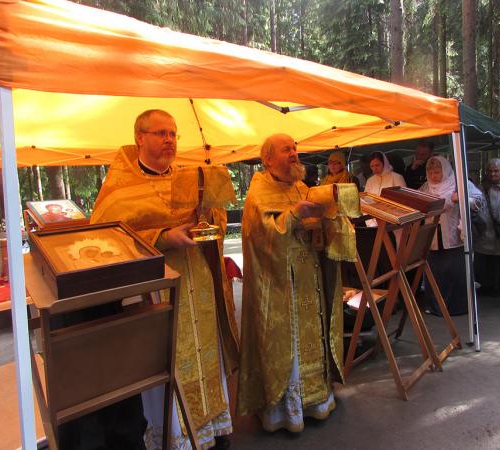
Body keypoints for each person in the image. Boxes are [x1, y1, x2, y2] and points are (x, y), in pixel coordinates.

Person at [91, 109, 239, 449]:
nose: (169, 140)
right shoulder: (120, 188)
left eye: (173, 134)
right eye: (161, 133)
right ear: (139, 138)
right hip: (155, 290)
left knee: (205, 354)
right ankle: (177, 438)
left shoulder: (188, 178)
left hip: (197, 281)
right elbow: (106, 239)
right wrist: (161, 237)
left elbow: (212, 221)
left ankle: (212, 429)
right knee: (166, 361)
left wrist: (209, 212)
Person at [237, 133, 345, 433]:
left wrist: (327, 222)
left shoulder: (302, 187)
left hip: (309, 276)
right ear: (268, 158)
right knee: (291, 344)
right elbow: (260, 238)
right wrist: (295, 215)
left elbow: (318, 230)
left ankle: (317, 401)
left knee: (313, 336)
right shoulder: (259, 192)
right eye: (287, 149)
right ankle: (286, 412)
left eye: (295, 148)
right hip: (281, 283)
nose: (294, 153)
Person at [419, 156, 470, 316]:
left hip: (453, 236)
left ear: (445, 170)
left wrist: (460, 198)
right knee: (435, 274)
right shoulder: (426, 188)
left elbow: (478, 200)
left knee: (455, 272)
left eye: (437, 172)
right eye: (431, 172)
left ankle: (457, 307)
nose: (434, 176)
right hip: (433, 237)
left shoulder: (458, 183)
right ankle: (435, 307)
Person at [473, 158, 500, 296]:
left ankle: (498, 285)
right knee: (485, 259)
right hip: (485, 230)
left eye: (496, 171)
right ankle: (486, 284)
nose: (493, 174)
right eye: (490, 171)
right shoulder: (481, 186)